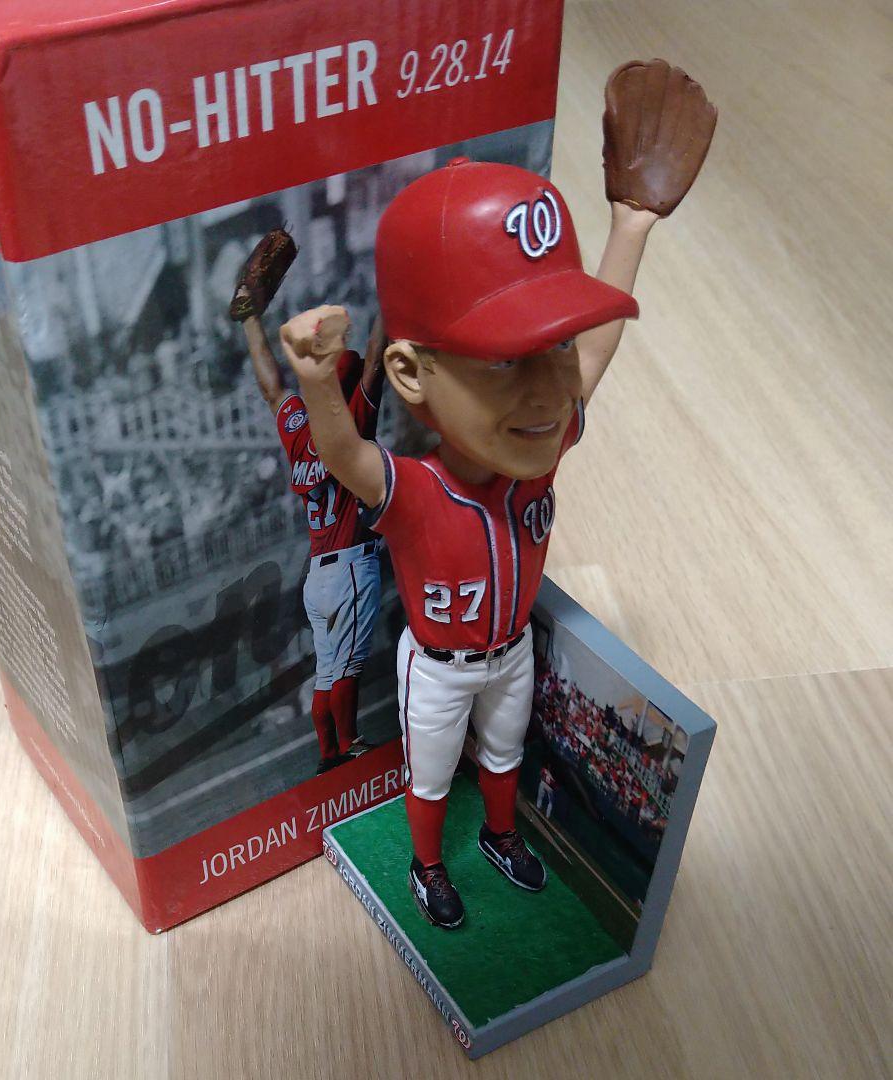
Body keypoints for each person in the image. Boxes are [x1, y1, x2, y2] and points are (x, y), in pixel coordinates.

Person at [280, 61, 714, 926]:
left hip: (512, 652)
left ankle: (502, 835)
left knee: (507, 754)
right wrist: (318, 383)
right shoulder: (417, 487)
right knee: (433, 772)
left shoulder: (537, 461)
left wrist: (631, 226)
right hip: (439, 666)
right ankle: (426, 866)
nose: (549, 387)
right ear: (410, 373)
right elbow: (344, 456)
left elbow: (594, 353)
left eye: (551, 346)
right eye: (508, 359)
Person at [235, 257, 386, 774]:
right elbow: (376, 359)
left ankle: (327, 755)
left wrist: (251, 320)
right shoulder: (351, 422)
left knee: (327, 671)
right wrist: (393, 287)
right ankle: (350, 743)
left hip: (317, 573)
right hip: (349, 566)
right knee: (347, 668)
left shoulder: (301, 424)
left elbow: (271, 387)